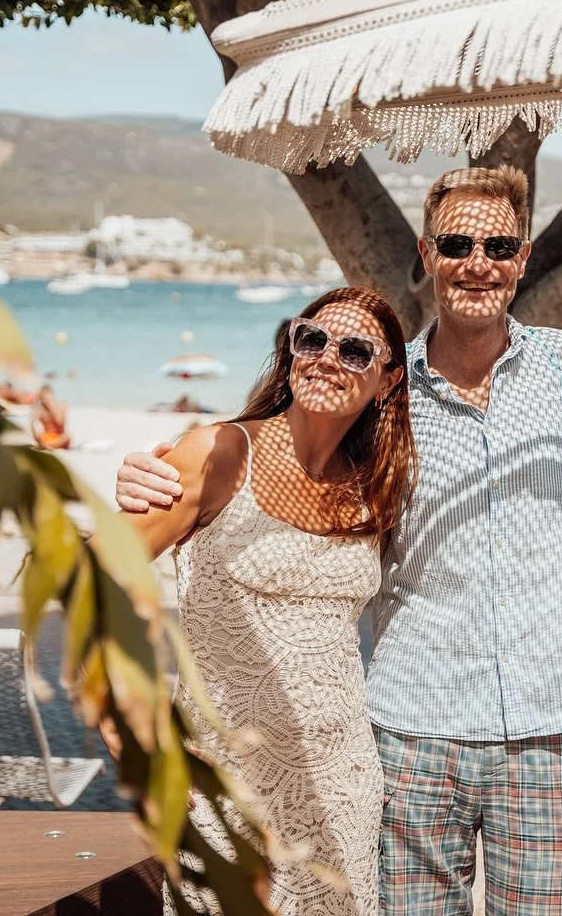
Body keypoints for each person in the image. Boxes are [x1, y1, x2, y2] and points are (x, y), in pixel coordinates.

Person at [115, 167, 562, 915]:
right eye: (459, 243)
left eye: (498, 245)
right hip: (413, 725)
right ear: (427, 252)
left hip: (552, 722)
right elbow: (296, 453)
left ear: (524, 257)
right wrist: (160, 473)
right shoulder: (383, 392)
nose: (479, 262)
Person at [119, 287, 414, 916]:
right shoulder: (219, 452)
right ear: (291, 347)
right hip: (223, 780)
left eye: (356, 350)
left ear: (387, 381)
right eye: (312, 338)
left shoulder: (374, 485)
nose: (327, 358)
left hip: (340, 783)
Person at [30, 385, 72, 450]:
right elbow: (34, 426)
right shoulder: (40, 410)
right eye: (42, 396)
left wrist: (50, 403)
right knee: (38, 434)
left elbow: (59, 420)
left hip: (60, 438)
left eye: (46, 395)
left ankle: (47, 445)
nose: (44, 398)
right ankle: (47, 445)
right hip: (47, 437)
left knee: (67, 436)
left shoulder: (62, 405)